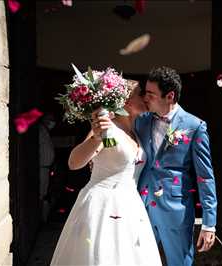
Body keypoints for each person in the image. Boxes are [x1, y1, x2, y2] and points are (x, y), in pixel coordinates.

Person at [50, 80, 162, 266]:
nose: (145, 97)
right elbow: (74, 163)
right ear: (126, 102)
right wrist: (95, 138)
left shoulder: (134, 132)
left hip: (131, 206)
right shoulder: (106, 129)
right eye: (140, 93)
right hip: (102, 205)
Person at [134, 66, 218, 266]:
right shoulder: (140, 121)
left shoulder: (194, 126)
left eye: (151, 94)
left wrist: (209, 224)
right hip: (139, 206)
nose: (145, 98)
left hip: (176, 209)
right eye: (145, 92)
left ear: (170, 96)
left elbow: (205, 177)